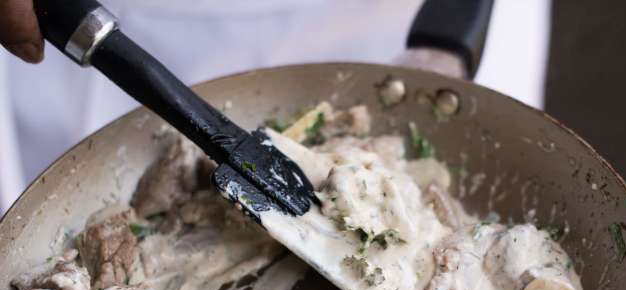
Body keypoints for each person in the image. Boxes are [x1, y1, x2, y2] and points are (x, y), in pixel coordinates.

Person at [0, 0, 550, 213]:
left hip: (392, 15)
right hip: (103, 16)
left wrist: (441, 48)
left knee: (462, 200)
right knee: (91, 201)